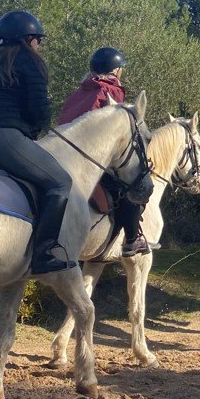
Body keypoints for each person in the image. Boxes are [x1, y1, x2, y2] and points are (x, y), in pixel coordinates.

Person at [0, 10, 77, 275]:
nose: (38, 46)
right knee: (60, 182)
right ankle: (43, 254)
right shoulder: (30, 62)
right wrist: (34, 130)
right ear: (28, 38)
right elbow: (38, 107)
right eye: (38, 40)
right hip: (1, 136)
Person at [57, 46, 156, 257]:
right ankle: (132, 239)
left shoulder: (81, 90)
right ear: (115, 71)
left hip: (63, 152)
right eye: (121, 69)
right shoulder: (111, 90)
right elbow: (116, 132)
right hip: (91, 155)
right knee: (128, 189)